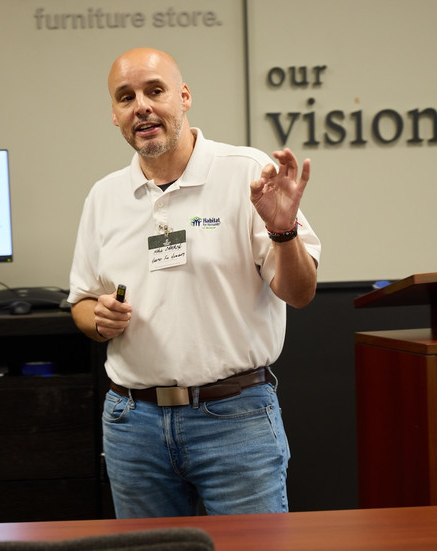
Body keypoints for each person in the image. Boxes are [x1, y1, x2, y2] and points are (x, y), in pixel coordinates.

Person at [67, 47, 321, 519]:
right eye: (126, 97)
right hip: (133, 424)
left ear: (183, 97)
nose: (141, 106)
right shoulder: (104, 197)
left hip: (235, 418)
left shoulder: (246, 172)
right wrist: (97, 318)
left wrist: (284, 232)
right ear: (115, 115)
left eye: (155, 91)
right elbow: (81, 301)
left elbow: (299, 293)